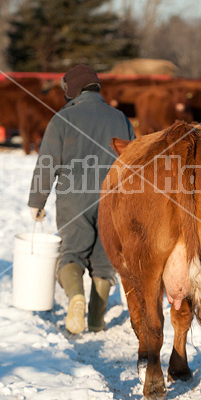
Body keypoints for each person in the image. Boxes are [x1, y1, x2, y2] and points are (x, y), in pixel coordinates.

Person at [28, 65, 135, 334]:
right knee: (105, 261)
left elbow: (47, 162)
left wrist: (37, 201)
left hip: (73, 198)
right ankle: (97, 319)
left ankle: (76, 297)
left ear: (73, 89)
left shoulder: (62, 119)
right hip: (112, 200)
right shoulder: (120, 118)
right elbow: (135, 161)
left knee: (71, 254)